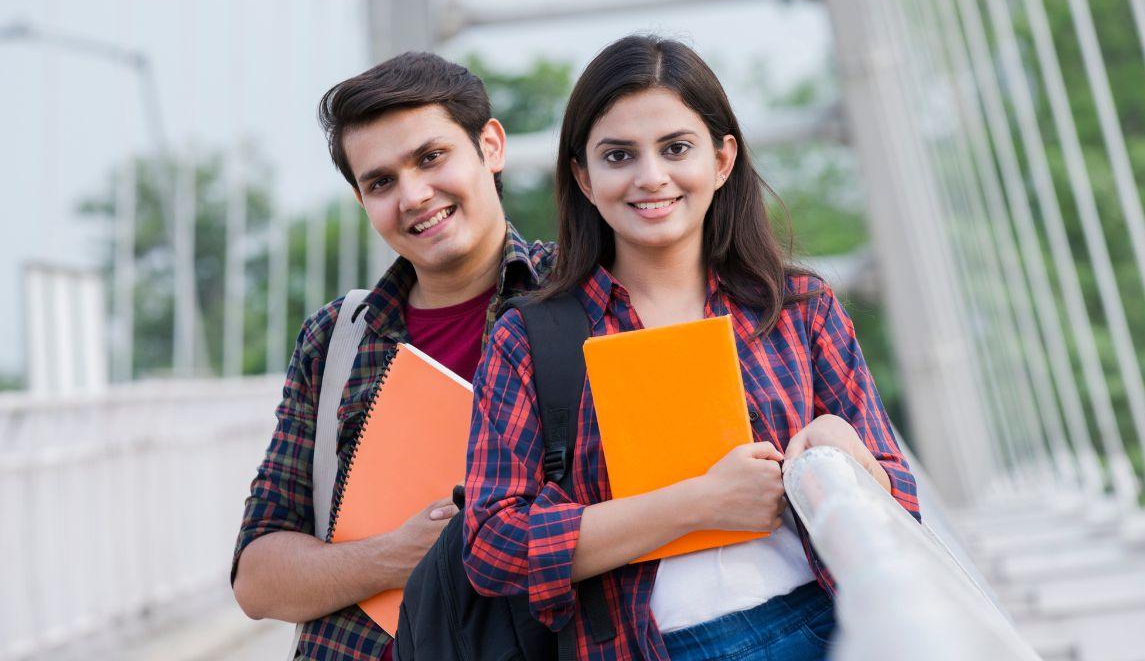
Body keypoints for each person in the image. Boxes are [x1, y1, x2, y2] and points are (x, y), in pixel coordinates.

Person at [463, 35, 921, 660]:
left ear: (723, 159)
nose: (651, 177)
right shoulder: (529, 340)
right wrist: (697, 504)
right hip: (649, 646)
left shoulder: (797, 308)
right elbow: (493, 546)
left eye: (676, 148)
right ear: (584, 177)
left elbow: (901, 503)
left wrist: (845, 449)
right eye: (618, 155)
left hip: (823, 627)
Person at [231, 52, 555, 661]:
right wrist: (395, 556)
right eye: (381, 182)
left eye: (431, 157)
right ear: (362, 200)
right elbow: (257, 578)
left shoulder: (584, 297)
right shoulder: (337, 339)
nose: (414, 195)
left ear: (490, 146)